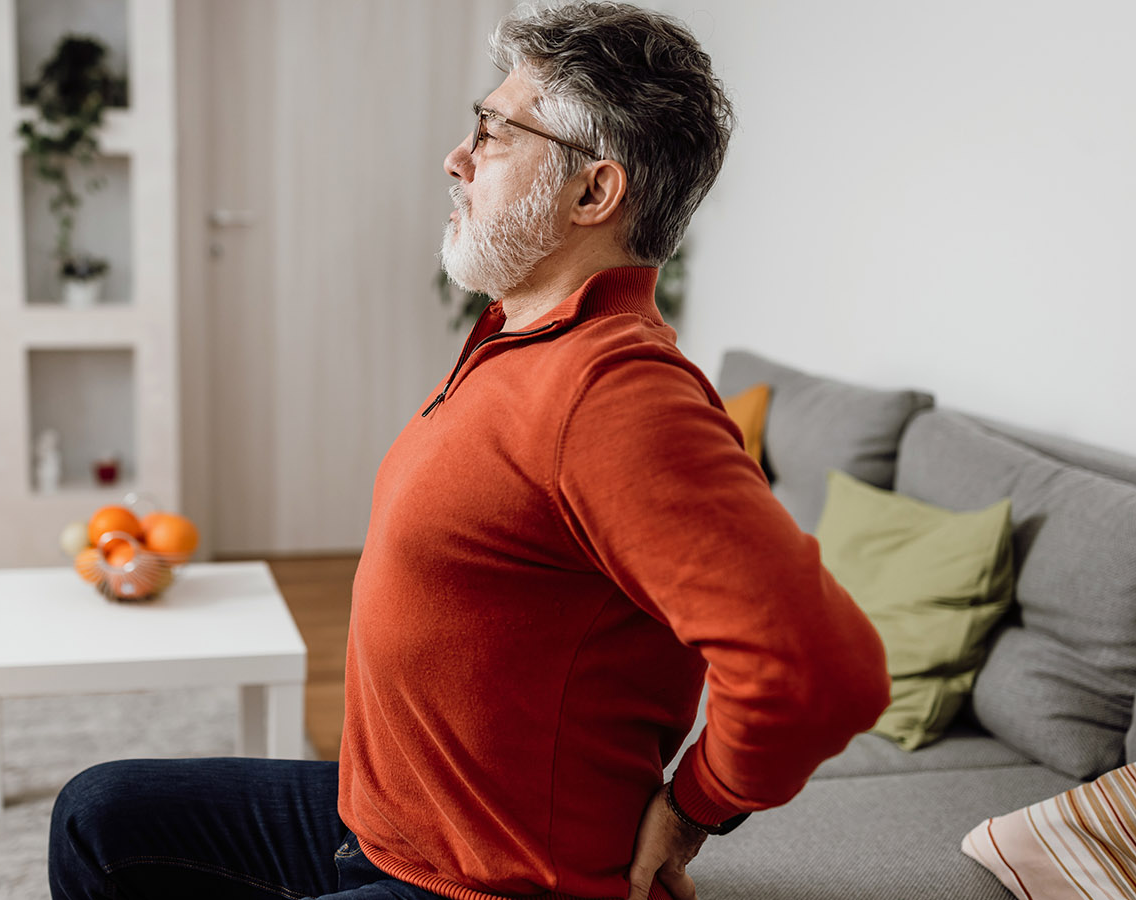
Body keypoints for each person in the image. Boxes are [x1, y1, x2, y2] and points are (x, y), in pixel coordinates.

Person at [49, 4, 891, 899]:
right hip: (381, 821)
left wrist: (693, 806)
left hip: (490, 879)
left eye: (492, 130)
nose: (457, 156)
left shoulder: (620, 394)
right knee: (98, 817)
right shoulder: (518, 339)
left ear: (592, 194)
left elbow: (818, 668)